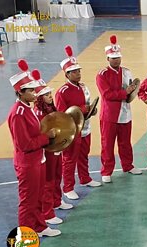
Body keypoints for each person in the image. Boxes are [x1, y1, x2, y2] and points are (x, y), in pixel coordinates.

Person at [7, 59, 61, 247]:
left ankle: (39, 226)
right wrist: (48, 137)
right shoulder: (18, 113)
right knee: (28, 203)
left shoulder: (27, 108)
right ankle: (25, 246)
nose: (34, 93)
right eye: (30, 90)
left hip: (38, 161)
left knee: (38, 198)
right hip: (27, 164)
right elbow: (25, 144)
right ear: (20, 92)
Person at [55, 45, 102, 200]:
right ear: (67, 74)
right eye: (74, 72)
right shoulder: (62, 92)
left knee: (84, 156)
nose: (78, 74)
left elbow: (88, 105)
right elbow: (62, 115)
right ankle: (68, 187)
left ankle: (85, 178)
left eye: (79, 71)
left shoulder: (84, 87)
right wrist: (82, 109)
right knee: (69, 160)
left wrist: (92, 110)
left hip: (85, 128)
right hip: (71, 132)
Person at [96, 35, 142, 183]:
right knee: (107, 144)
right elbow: (107, 94)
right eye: (113, 58)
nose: (116, 60)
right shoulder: (102, 75)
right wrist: (125, 92)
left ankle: (128, 165)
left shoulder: (127, 72)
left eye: (118, 57)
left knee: (125, 143)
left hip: (125, 113)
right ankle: (106, 171)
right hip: (109, 116)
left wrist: (132, 92)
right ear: (107, 59)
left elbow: (132, 90)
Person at [32, 69, 73, 227]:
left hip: (55, 149)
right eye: (47, 95)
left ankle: (57, 201)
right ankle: (47, 213)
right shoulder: (38, 112)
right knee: (48, 181)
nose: (50, 96)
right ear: (40, 97)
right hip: (47, 151)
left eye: (50, 94)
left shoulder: (50, 109)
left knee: (57, 176)